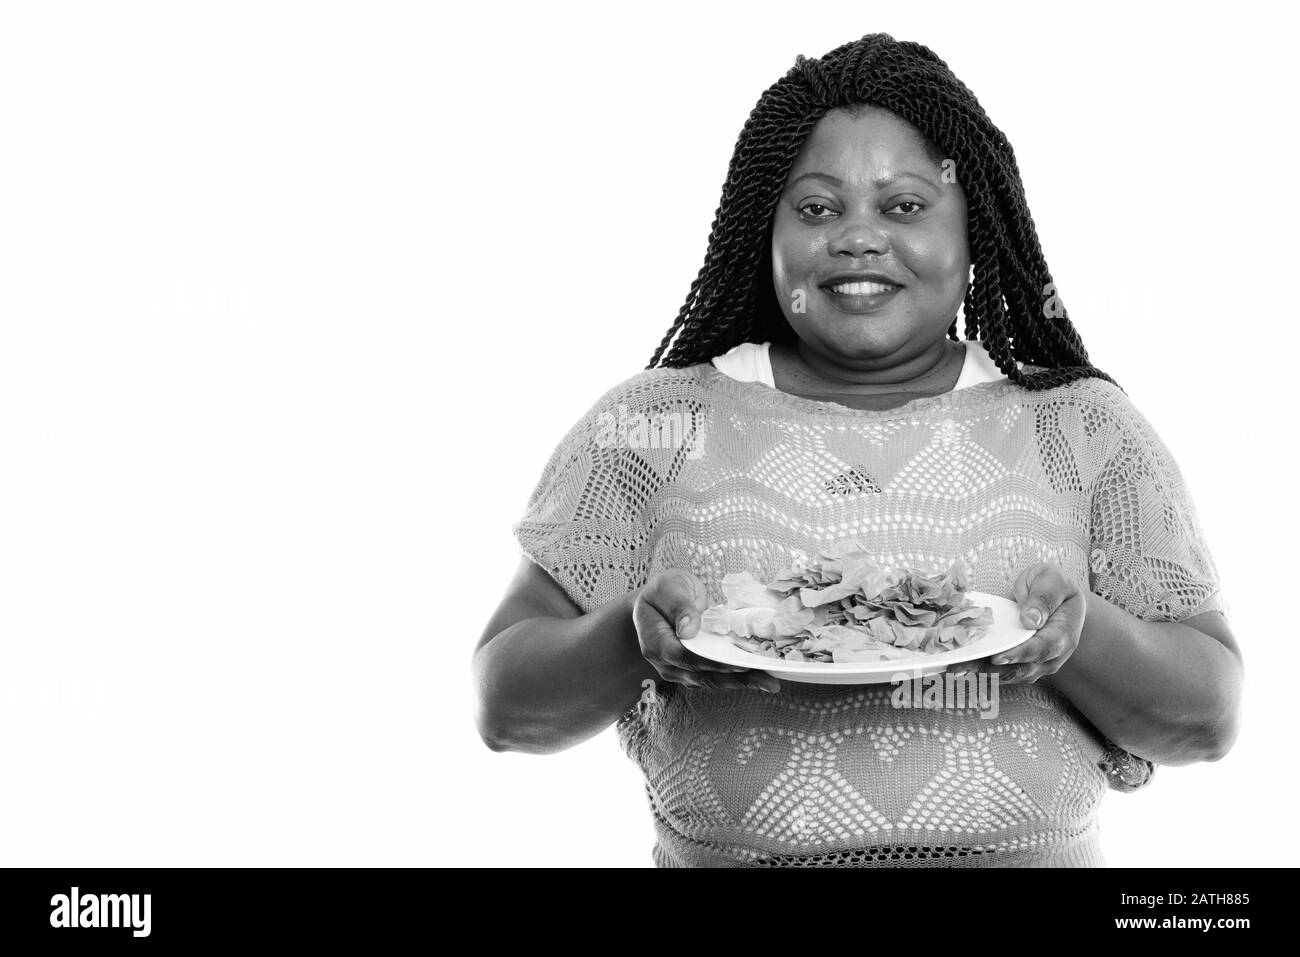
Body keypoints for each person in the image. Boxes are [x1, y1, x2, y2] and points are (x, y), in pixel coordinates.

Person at [471, 33, 1243, 867]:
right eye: (816, 208)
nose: (858, 238)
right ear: (760, 228)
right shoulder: (649, 427)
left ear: (972, 221)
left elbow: (1206, 721)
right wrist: (632, 636)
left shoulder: (1083, 427)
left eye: (904, 205)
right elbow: (506, 706)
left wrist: (1077, 636)